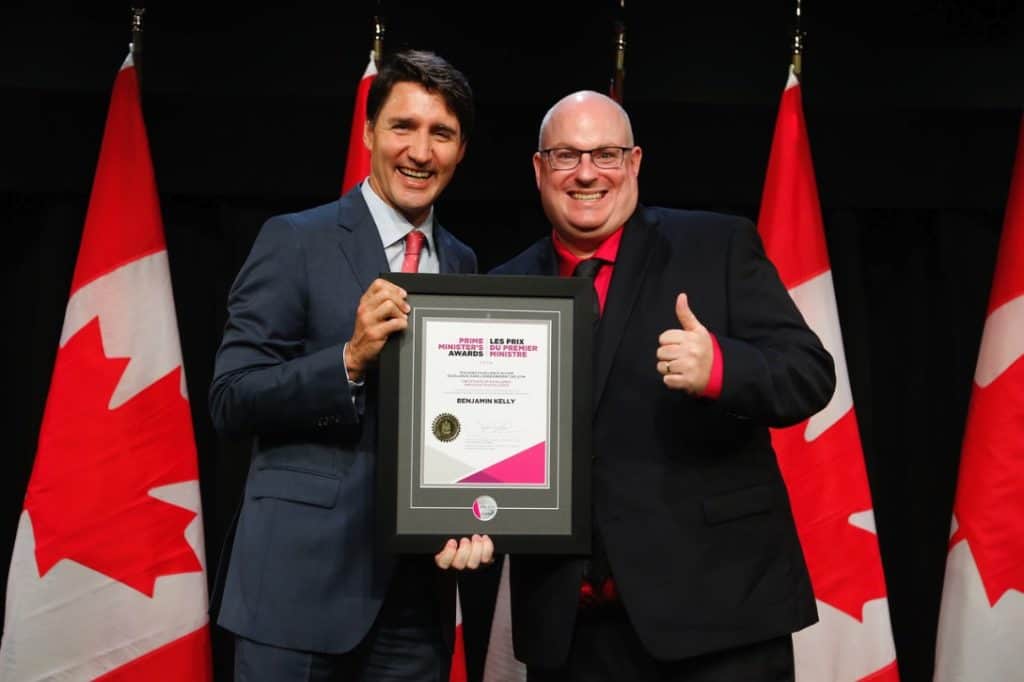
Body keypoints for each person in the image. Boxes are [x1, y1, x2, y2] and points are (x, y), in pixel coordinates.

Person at [491, 90, 837, 681]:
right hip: (571, 633)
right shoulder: (505, 286)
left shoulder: (717, 245)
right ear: (538, 168)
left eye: (606, 154)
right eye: (566, 155)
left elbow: (809, 374)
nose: (586, 173)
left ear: (635, 163)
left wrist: (722, 368)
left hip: (719, 621)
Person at [209, 50, 493, 682]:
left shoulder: (464, 262)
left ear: (461, 149)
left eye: (440, 133)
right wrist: (348, 360)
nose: (420, 152)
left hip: (417, 603)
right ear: (369, 133)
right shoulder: (295, 241)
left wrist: (478, 507)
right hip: (297, 592)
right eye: (403, 127)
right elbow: (232, 397)